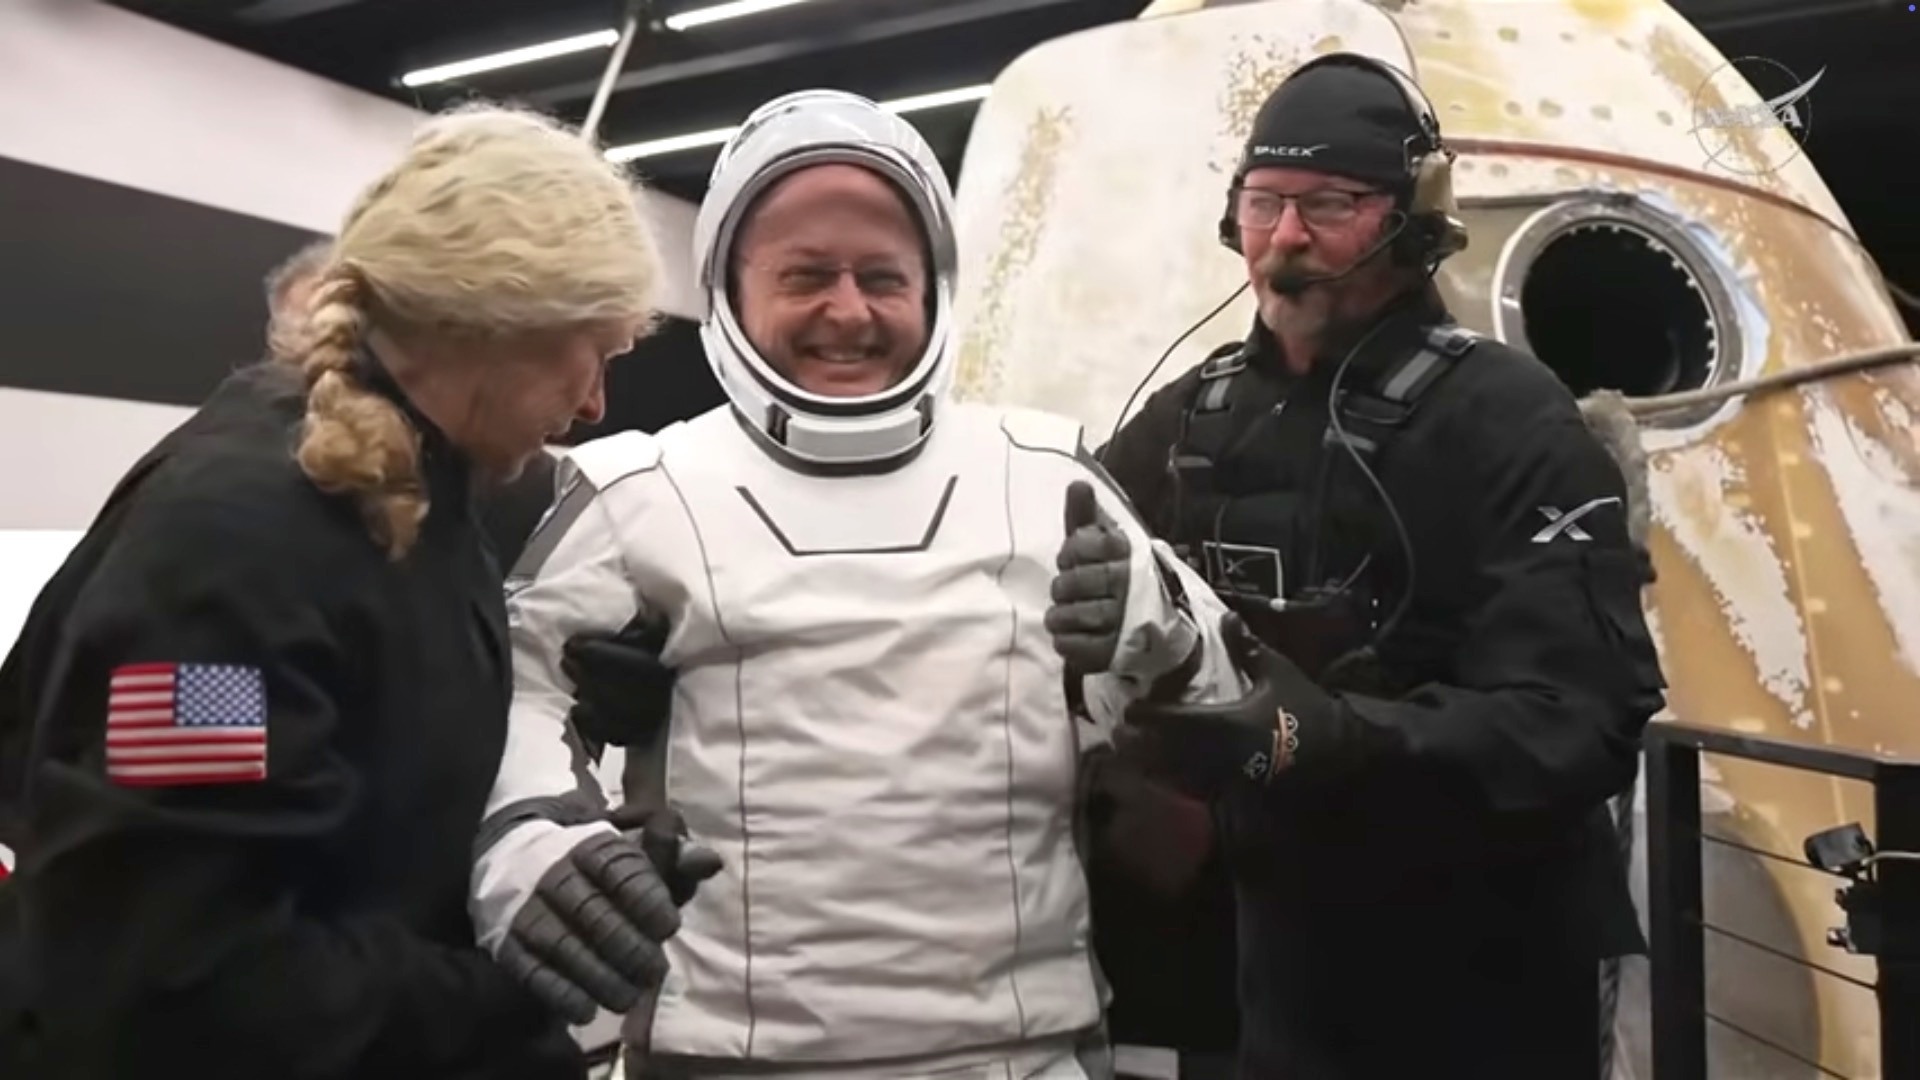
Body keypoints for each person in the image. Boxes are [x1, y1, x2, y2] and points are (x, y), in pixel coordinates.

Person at [466, 89, 1245, 1080]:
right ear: (731, 292)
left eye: (883, 277)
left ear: (934, 290)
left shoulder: (1047, 475)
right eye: (805, 277)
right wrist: (529, 846)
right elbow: (505, 696)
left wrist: (1152, 621)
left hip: (1023, 1055)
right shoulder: (638, 489)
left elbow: (1235, 704)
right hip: (731, 1058)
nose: (848, 310)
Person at [0, 104, 696, 1079]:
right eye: (597, 353)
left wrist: (550, 838)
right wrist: (510, 988)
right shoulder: (229, 552)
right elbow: (182, 975)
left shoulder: (409, 496)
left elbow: (366, 795)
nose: (594, 404)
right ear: (495, 325)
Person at [1096, 54, 1668, 1078]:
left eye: (1331, 204)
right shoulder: (1192, 419)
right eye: (1264, 203)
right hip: (1269, 959)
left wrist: (1328, 739)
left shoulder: (1512, 420)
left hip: (1484, 966)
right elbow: (1054, 549)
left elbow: (1579, 720)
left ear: (1412, 221)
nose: (1287, 237)